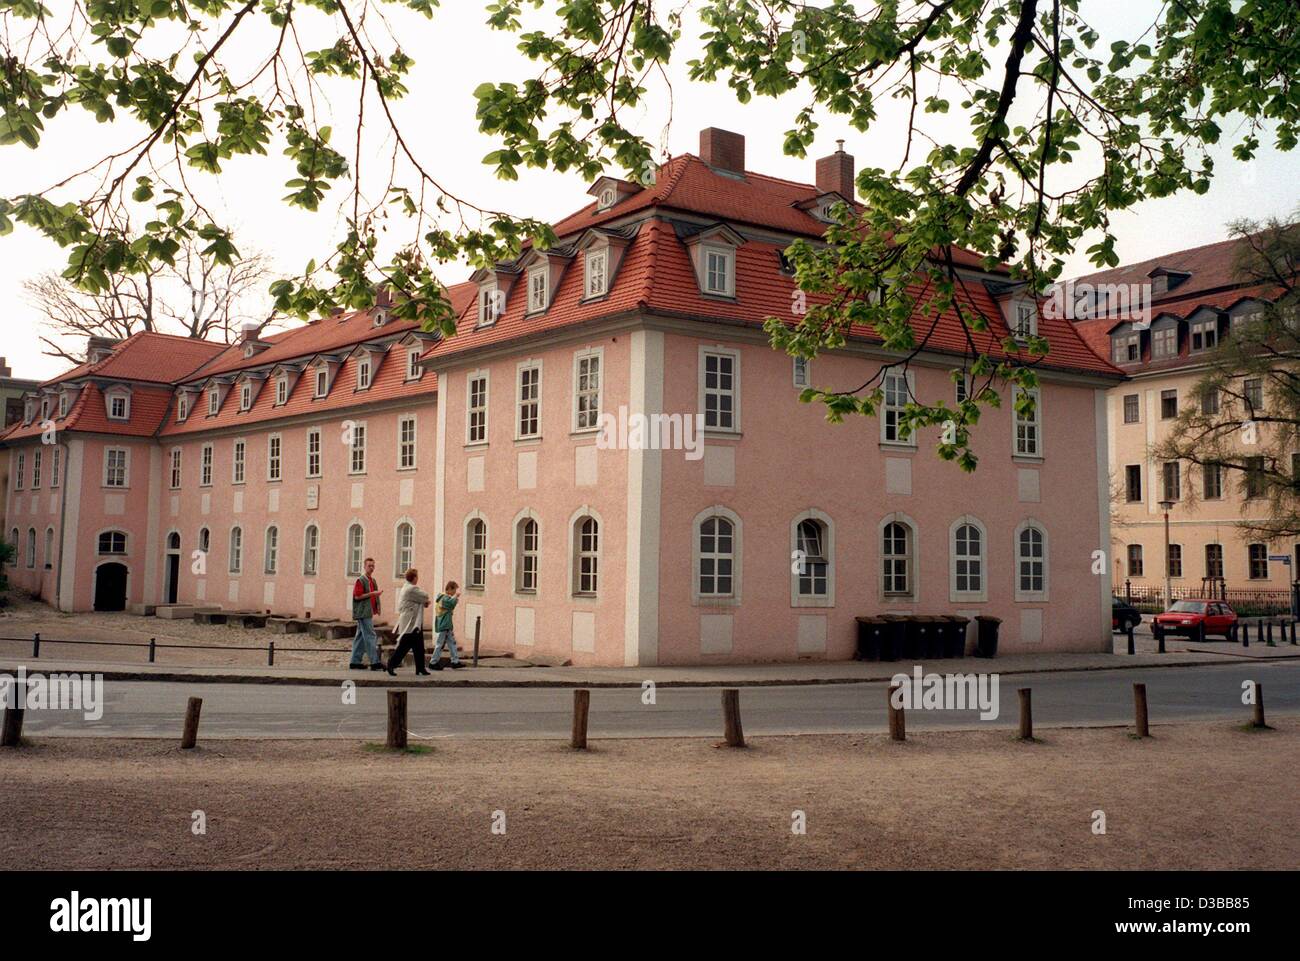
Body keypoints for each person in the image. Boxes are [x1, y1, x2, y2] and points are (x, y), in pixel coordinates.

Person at [386, 568, 431, 676]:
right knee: (404, 646)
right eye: (417, 576)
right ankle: (391, 664)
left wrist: (422, 602)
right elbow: (425, 596)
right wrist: (424, 601)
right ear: (414, 578)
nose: (417, 578)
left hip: (414, 622)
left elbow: (418, 600)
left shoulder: (406, 587)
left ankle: (420, 668)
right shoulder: (411, 589)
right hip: (410, 623)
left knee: (419, 646)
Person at [349, 557, 385, 671]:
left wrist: (377, 606)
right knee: (370, 636)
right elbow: (357, 596)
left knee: (360, 637)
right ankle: (375, 662)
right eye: (369, 566)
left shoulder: (372, 580)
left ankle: (355, 661)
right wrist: (372, 593)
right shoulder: (361, 580)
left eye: (373, 566)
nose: (371, 568)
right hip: (363, 612)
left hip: (368, 611)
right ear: (364, 567)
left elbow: (373, 595)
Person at [428, 580, 465, 670]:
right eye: (454, 590)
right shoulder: (444, 598)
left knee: (452, 643)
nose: (454, 592)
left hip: (446, 624)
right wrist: (455, 597)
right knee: (440, 644)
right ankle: (433, 662)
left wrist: (454, 598)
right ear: (449, 589)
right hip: (444, 624)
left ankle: (455, 661)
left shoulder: (445, 598)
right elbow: (450, 604)